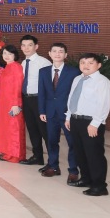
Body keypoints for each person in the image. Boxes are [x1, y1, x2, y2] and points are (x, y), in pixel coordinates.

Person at [64, 54, 110, 196]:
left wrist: (95, 123)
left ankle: (99, 185)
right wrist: (68, 117)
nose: (86, 65)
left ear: (98, 65)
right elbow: (71, 98)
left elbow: (104, 104)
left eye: (90, 63)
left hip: (91, 122)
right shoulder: (78, 79)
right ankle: (86, 179)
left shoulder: (102, 82)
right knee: (80, 152)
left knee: (94, 154)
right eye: (83, 62)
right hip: (75, 119)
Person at [38, 43, 81, 180]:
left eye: (61, 51)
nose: (57, 54)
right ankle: (53, 166)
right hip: (50, 113)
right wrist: (42, 110)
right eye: (54, 51)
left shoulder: (74, 72)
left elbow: (76, 94)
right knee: (51, 140)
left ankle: (73, 170)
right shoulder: (43, 71)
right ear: (49, 54)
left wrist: (72, 112)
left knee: (72, 141)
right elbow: (42, 93)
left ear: (65, 55)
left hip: (67, 113)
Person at [19, 35, 51, 166]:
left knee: (45, 131)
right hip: (26, 99)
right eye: (24, 45)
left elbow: (50, 85)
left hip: (40, 99)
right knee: (32, 129)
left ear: (36, 46)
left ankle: (52, 161)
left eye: (30, 45)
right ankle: (37, 156)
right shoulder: (23, 62)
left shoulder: (44, 63)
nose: (26, 48)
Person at [0, 46, 25, 163]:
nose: (6, 56)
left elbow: (18, 86)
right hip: (5, 101)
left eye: (9, 54)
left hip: (13, 103)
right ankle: (8, 152)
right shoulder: (7, 67)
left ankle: (16, 155)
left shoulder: (16, 67)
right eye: (4, 53)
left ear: (15, 55)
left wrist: (16, 104)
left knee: (15, 128)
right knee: (7, 128)